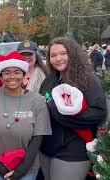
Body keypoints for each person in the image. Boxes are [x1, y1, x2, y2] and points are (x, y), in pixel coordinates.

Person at [0, 51, 51, 180]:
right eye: (7, 73)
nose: (12, 76)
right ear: (0, 76)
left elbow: (38, 138)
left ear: (24, 74)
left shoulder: (37, 101)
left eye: (16, 72)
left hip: (26, 168)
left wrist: (22, 169)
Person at [39, 37, 107, 180]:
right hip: (47, 149)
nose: (58, 58)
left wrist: (61, 114)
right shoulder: (50, 80)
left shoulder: (87, 79)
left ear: (73, 53)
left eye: (63, 53)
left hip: (72, 152)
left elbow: (98, 113)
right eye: (53, 55)